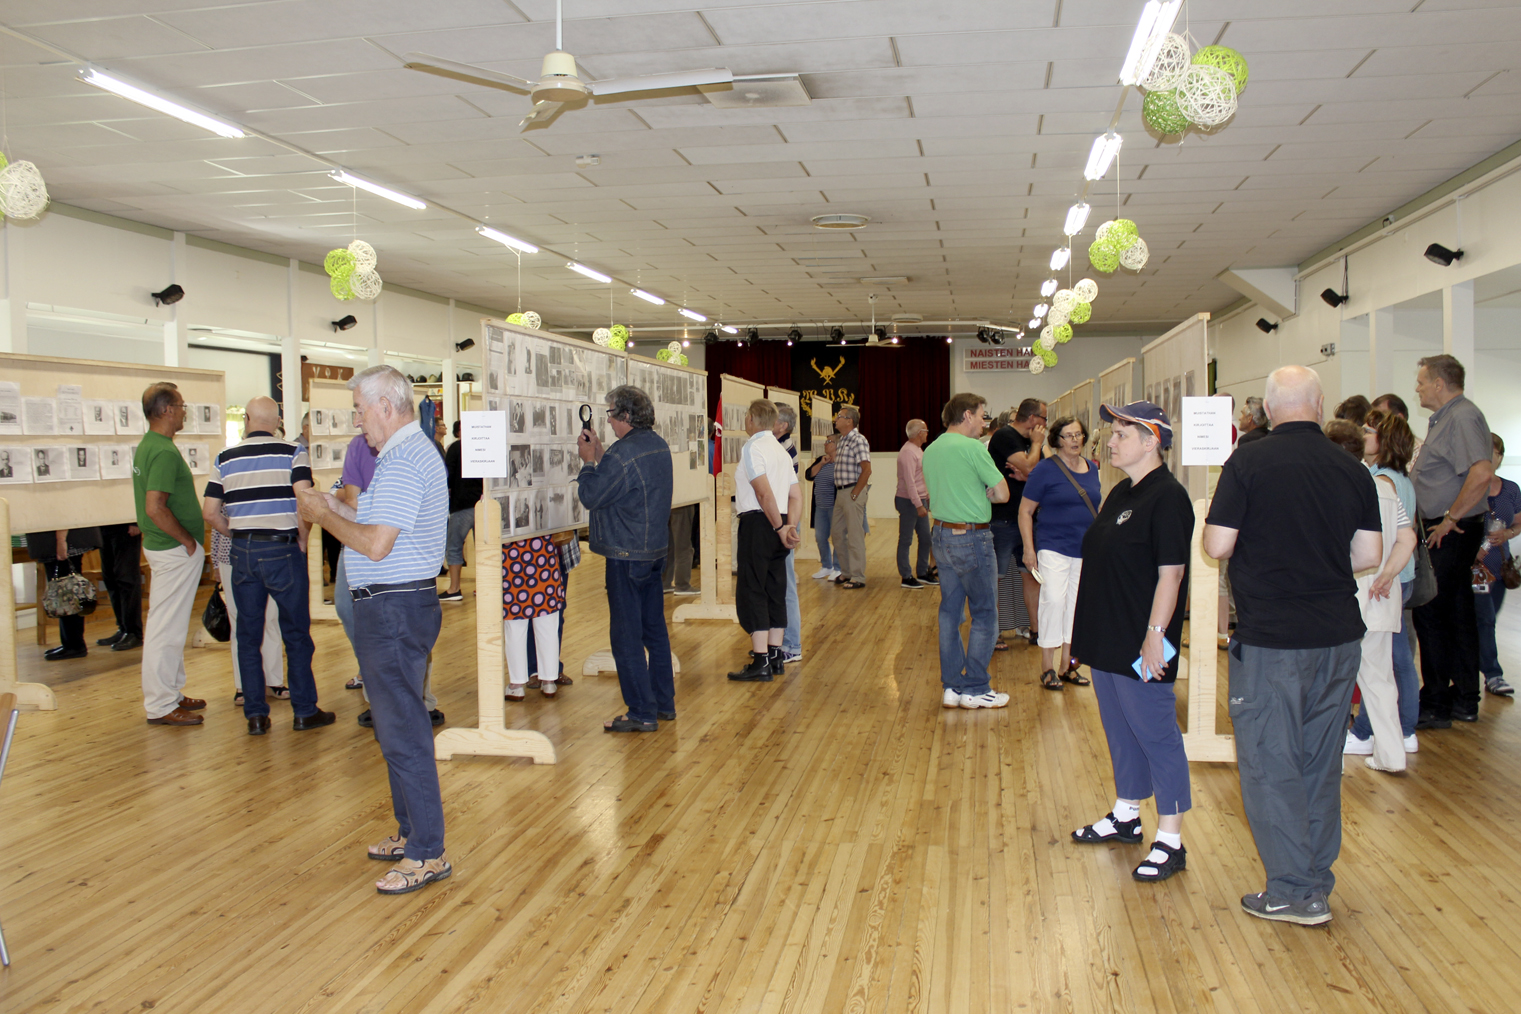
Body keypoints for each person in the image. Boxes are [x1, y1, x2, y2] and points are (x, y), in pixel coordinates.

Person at [1204, 365, 1383, 926]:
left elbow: (1217, 542)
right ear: (1320, 403)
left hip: (1273, 641)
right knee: (1319, 762)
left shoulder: (1248, 461)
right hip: (1337, 637)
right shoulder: (1350, 468)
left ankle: (1292, 891)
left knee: (1268, 763)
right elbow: (1368, 553)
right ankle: (1314, 883)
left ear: (1269, 408)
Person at [296, 365, 452, 895]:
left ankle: (428, 851)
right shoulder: (400, 456)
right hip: (389, 606)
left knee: (404, 729)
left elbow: (375, 544)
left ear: (388, 405)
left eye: (361, 409)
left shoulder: (406, 458)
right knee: (393, 726)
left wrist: (321, 511)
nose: (357, 420)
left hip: (394, 608)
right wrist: (334, 508)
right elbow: (372, 527)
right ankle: (413, 833)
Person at [1068, 402, 1194, 882]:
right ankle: (1126, 814)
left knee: (1158, 736)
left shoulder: (1169, 498)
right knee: (1120, 732)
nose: (1112, 439)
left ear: (1151, 442)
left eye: (1124, 432)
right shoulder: (1121, 490)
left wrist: (1155, 638)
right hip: (1107, 636)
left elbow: (1172, 574)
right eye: (1114, 430)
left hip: (1144, 640)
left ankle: (1171, 839)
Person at [202, 395, 330, 737]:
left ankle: (256, 715)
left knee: (247, 635)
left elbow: (210, 513)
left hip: (244, 551)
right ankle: (304, 710)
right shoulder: (292, 452)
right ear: (277, 421)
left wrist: (241, 534)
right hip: (283, 549)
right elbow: (306, 501)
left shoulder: (224, 457)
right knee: (296, 635)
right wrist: (302, 538)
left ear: (246, 419)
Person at [576, 384, 676, 732]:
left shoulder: (623, 454)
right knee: (654, 631)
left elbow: (591, 495)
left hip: (625, 553)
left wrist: (589, 463)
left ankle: (640, 713)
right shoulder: (657, 445)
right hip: (653, 551)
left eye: (610, 413)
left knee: (626, 636)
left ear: (626, 416)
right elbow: (625, 487)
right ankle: (663, 704)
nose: (607, 420)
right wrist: (603, 457)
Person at [1325, 420, 1416, 773]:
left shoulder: (1339, 486)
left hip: (1346, 595)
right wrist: (1389, 574)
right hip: (1382, 594)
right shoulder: (1386, 487)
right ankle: (1392, 756)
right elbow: (1407, 540)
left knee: (1333, 680)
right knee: (1380, 681)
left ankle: (1329, 757)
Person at [1410, 354, 1494, 728]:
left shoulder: (1462, 416)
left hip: (1453, 531)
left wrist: (1450, 518)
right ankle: (1460, 697)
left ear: (1440, 384)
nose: (1418, 388)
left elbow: (1481, 472)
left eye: (1422, 381)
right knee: (1455, 614)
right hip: (1448, 527)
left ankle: (1437, 700)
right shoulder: (1447, 418)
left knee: (1433, 611)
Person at [921, 392, 1010, 710]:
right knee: (985, 613)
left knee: (950, 613)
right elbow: (1002, 493)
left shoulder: (931, 449)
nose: (985, 422)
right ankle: (975, 686)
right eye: (983, 415)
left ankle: (952, 686)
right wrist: (986, 492)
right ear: (968, 415)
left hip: (942, 535)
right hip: (972, 538)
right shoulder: (973, 448)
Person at [1345, 409, 1423, 753]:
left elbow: (1373, 547)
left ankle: (1390, 733)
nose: (1364, 436)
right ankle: (1389, 741)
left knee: (1385, 665)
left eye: (1369, 430)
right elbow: (1407, 537)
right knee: (1383, 669)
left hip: (1374, 586)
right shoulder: (1387, 482)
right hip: (1386, 584)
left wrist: (1385, 575)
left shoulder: (1378, 484)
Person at [134, 382, 209, 727]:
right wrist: (188, 541)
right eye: (180, 405)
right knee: (166, 628)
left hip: (165, 548)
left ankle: (172, 691)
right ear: (166, 410)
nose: (183, 411)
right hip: (173, 549)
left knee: (172, 625)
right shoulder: (162, 450)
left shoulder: (150, 444)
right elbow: (155, 507)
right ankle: (161, 704)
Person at [1019, 415, 1101, 690]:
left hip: (1085, 549)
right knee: (1053, 601)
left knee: (1075, 606)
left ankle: (1068, 665)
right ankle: (1047, 667)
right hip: (1053, 546)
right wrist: (1029, 550)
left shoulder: (1092, 468)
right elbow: (1025, 511)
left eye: (1078, 434)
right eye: (1068, 435)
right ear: (1057, 440)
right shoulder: (1045, 469)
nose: (1075, 440)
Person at [727, 400, 803, 682]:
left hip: (761, 523)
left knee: (753, 588)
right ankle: (774, 655)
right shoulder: (781, 451)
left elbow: (763, 494)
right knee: (775, 587)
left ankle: (760, 661)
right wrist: (789, 525)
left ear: (750, 419)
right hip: (779, 521)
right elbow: (796, 496)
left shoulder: (753, 447)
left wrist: (780, 527)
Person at [988, 399, 1047, 648]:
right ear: (1032, 418)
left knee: (1031, 577)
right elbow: (1030, 465)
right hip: (1002, 520)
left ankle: (1036, 630)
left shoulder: (1027, 443)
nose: (1045, 424)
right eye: (1043, 418)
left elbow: (1040, 471)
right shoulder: (1004, 436)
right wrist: (1034, 449)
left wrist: (1029, 469)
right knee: (996, 579)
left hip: (1028, 520)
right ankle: (994, 632)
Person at [209, 520, 286, 707]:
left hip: (268, 553)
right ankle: (243, 685)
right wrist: (215, 562)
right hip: (230, 555)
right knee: (238, 620)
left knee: (270, 617)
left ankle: (274, 680)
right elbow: (213, 518)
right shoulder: (224, 489)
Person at [1478, 433, 1518, 697]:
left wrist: (1508, 534)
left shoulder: (1511, 489)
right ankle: (1493, 674)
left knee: (1487, 619)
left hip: (1500, 567)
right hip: (1476, 570)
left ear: (1500, 456)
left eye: (1495, 452)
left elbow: (1518, 521)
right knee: (1485, 620)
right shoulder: (1470, 488)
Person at [502, 535, 564, 700]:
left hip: (511, 556)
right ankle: (549, 681)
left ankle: (516, 684)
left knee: (515, 625)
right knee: (548, 624)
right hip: (543, 555)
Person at [28, 527, 102, 660]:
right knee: (63, 592)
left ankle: (75, 645)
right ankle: (69, 643)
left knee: (67, 593)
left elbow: (60, 513)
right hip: (56, 540)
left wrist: (61, 540)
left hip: (62, 540)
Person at [773, 403, 804, 663]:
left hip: (785, 520)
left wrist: (789, 526)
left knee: (786, 585)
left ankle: (792, 645)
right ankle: (779, 642)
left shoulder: (783, 449)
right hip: (784, 519)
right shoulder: (781, 447)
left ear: (782, 425)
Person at [441, 419, 481, 603]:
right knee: (483, 547)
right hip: (482, 504)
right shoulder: (483, 447)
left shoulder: (455, 448)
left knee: (455, 546)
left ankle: (454, 588)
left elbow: (447, 475)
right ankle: (482, 586)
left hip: (461, 504)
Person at [830, 405, 871, 589]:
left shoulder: (858, 439)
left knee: (855, 536)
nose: (835, 419)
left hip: (852, 492)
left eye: (839, 416)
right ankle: (846, 572)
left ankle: (858, 576)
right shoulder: (843, 440)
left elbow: (867, 469)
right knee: (837, 533)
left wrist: (856, 493)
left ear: (849, 421)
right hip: (840, 493)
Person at [896, 419, 935, 589]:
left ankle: (922, 572)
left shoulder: (918, 450)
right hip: (909, 501)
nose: (927, 433)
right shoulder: (907, 453)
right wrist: (919, 504)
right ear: (920, 433)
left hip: (920, 500)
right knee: (906, 539)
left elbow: (921, 478)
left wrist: (927, 497)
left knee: (926, 538)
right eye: (926, 430)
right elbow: (909, 483)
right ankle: (906, 576)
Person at [95, 521, 144, 651]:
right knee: (110, 579)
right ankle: (123, 628)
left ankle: (134, 632)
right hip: (104, 526)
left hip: (125, 526)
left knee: (127, 579)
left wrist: (135, 522)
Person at [805, 434, 840, 579]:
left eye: (828, 441)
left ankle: (839, 568)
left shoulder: (842, 461)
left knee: (837, 537)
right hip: (820, 506)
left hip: (835, 506)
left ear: (837, 444)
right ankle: (826, 566)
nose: (825, 444)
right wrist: (821, 464)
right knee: (820, 537)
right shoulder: (821, 459)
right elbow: (809, 475)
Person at [662, 505, 698, 595]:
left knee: (669, 544)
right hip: (683, 502)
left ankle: (665, 583)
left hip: (665, 501)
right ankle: (682, 585)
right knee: (683, 543)